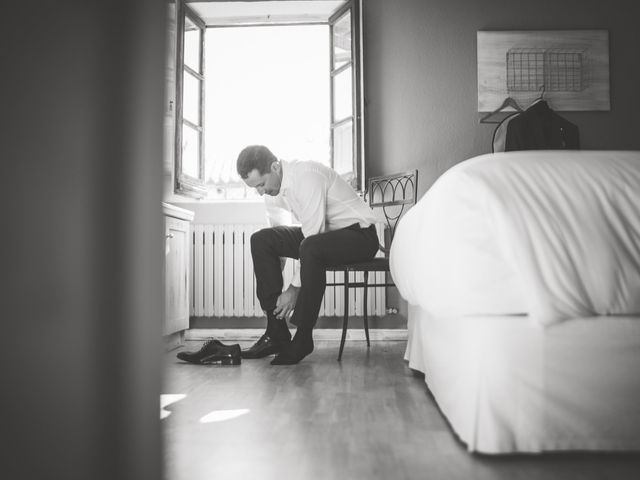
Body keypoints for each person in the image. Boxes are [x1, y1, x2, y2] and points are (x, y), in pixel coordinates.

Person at [237, 145, 379, 365]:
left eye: (262, 184)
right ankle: (276, 333)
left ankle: (303, 338)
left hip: (360, 237)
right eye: (255, 187)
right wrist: (273, 268)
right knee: (262, 240)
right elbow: (279, 233)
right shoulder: (273, 190)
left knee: (310, 247)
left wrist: (293, 290)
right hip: (325, 237)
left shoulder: (306, 176)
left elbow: (313, 235)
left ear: (275, 167)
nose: (261, 192)